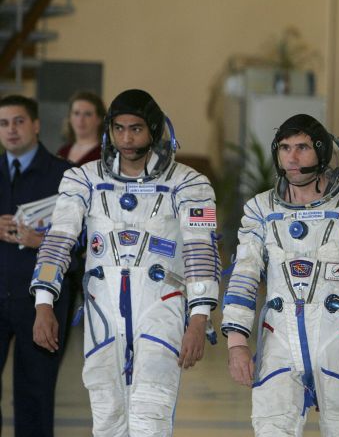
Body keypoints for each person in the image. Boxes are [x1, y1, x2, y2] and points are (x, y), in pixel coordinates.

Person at [29, 89, 221, 436]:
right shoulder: (82, 179)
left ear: (154, 130)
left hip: (162, 308)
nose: (127, 138)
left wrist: (199, 319)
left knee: (151, 414)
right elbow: (57, 242)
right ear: (109, 131)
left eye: (136, 129)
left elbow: (201, 253)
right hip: (103, 309)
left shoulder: (191, 184)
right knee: (106, 418)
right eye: (119, 129)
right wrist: (44, 303)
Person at [222, 114, 339, 436]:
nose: (292, 157)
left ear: (321, 151)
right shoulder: (260, 210)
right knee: (271, 427)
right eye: (285, 147)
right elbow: (244, 275)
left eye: (302, 147)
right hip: (279, 335)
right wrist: (237, 343)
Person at [0, 95, 73, 436]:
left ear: (36, 125)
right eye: (3, 124)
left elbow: (87, 245)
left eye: (18, 121)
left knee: (34, 397)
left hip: (41, 303)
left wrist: (41, 242)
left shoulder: (66, 176)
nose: (11, 130)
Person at [57, 91, 106, 165]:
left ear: (99, 119)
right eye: (76, 113)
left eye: (87, 114)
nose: (81, 120)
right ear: (69, 117)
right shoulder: (62, 152)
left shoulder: (104, 155)